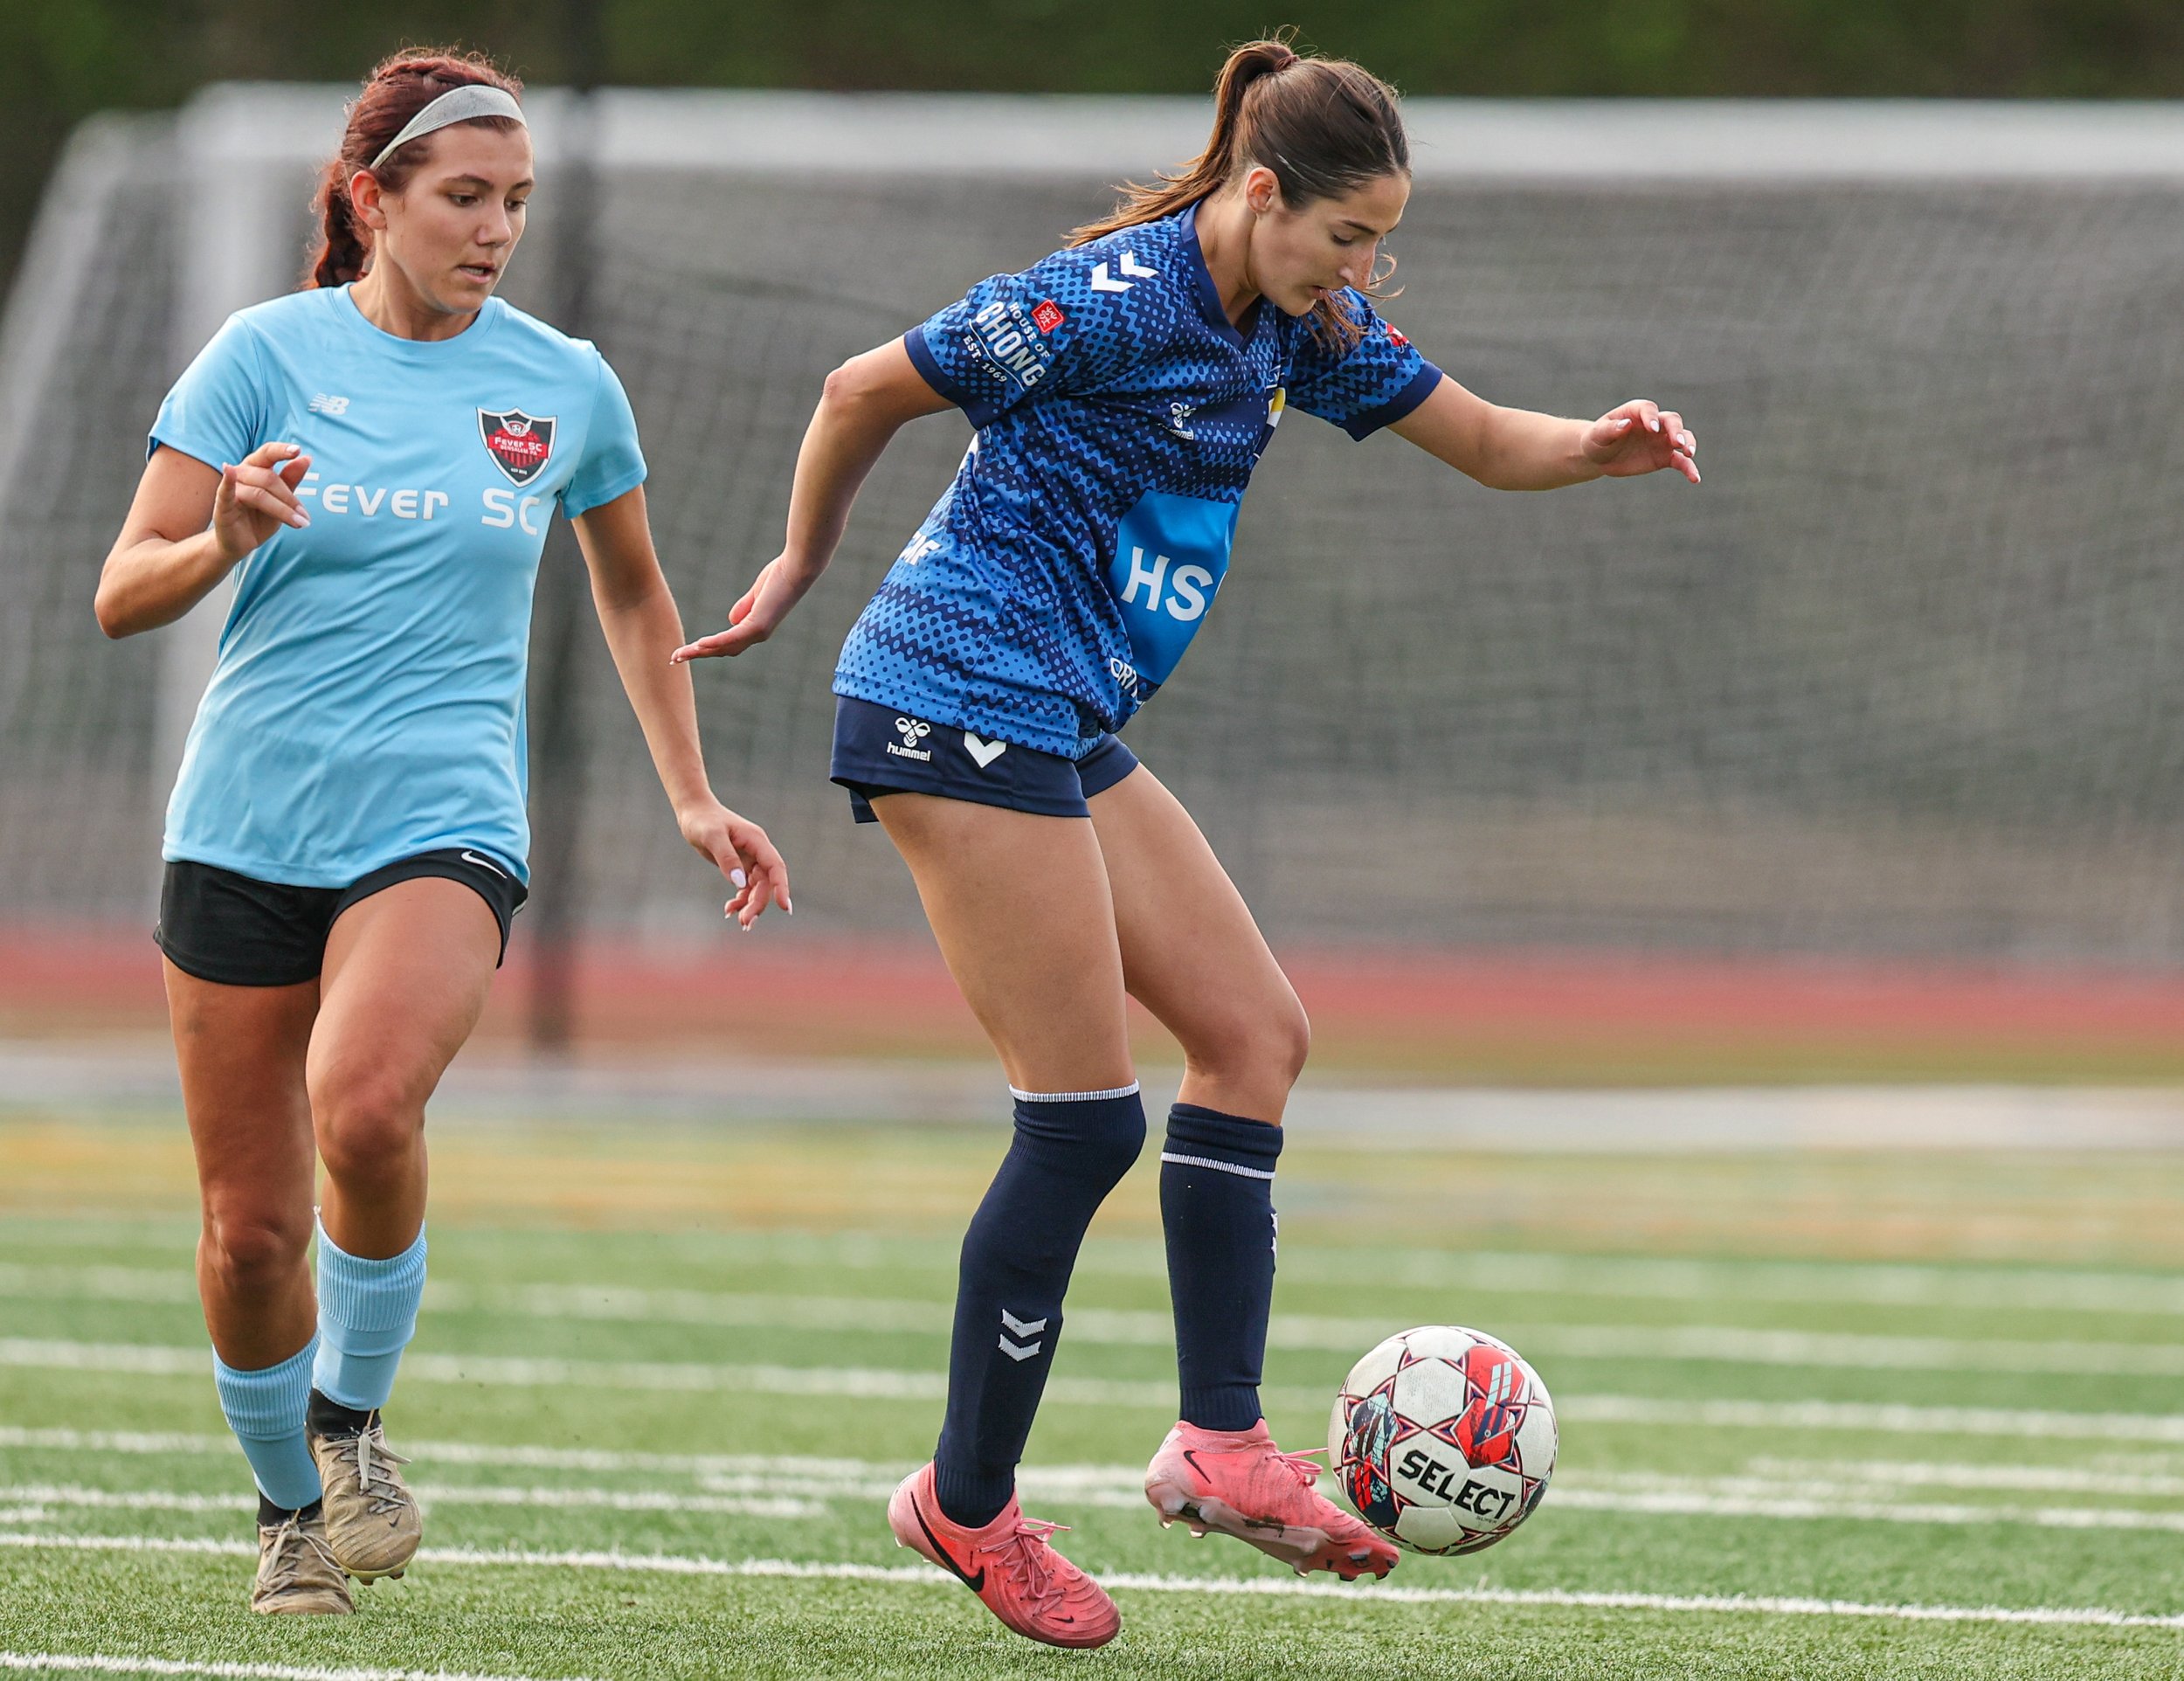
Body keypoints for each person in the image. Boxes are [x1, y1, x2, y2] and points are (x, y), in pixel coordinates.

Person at [674, 38, 1695, 1650]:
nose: (1361, 271)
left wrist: (1600, 442)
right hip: (952, 693)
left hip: (1057, 714)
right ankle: (966, 1503)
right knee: (1083, 1124)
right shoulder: (1105, 299)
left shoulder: (1296, 323)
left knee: (1254, 1036)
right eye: (1347, 236)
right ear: (1264, 193)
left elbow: (1491, 436)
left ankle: (1221, 1443)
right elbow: (862, 387)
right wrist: (803, 563)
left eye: (1381, 243)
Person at [94, 48, 789, 1615]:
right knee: (250, 1232)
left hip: (443, 817)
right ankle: (286, 1516)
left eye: (516, 201)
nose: (496, 229)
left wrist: (690, 792)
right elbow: (122, 591)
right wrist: (221, 537)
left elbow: (633, 590)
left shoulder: (564, 382)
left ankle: (350, 1428)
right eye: (465, 196)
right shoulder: (260, 357)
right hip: (243, 825)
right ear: (371, 199)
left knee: (363, 1106)